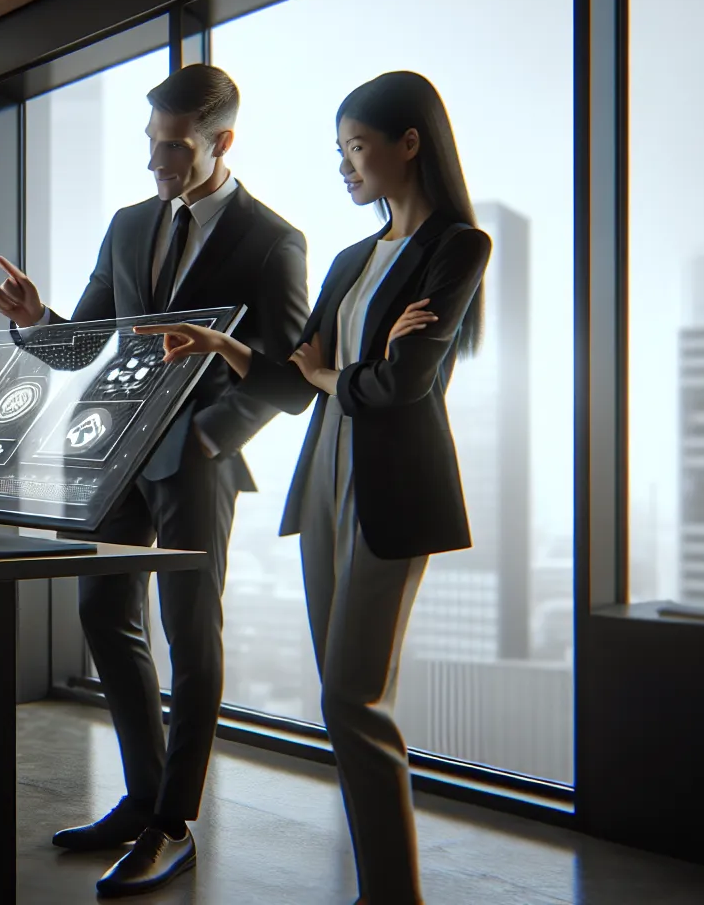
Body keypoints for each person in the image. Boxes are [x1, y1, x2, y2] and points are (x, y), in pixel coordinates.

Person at [137, 70, 492, 905]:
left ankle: (391, 896)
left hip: (392, 484)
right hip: (325, 475)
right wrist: (223, 349)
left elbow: (398, 389)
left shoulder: (457, 247)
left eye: (357, 148)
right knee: (345, 704)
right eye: (339, 152)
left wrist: (338, 372)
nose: (345, 166)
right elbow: (299, 379)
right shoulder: (351, 259)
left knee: (351, 698)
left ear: (410, 144)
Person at [0, 63, 310, 898]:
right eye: (152, 144)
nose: (157, 164)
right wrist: (36, 321)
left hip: (198, 461)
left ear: (221, 143)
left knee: (191, 638)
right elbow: (88, 342)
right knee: (103, 610)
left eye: (174, 149)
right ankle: (140, 798)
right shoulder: (131, 225)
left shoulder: (273, 241)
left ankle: (173, 825)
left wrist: (208, 436)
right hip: (119, 453)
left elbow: (285, 378)